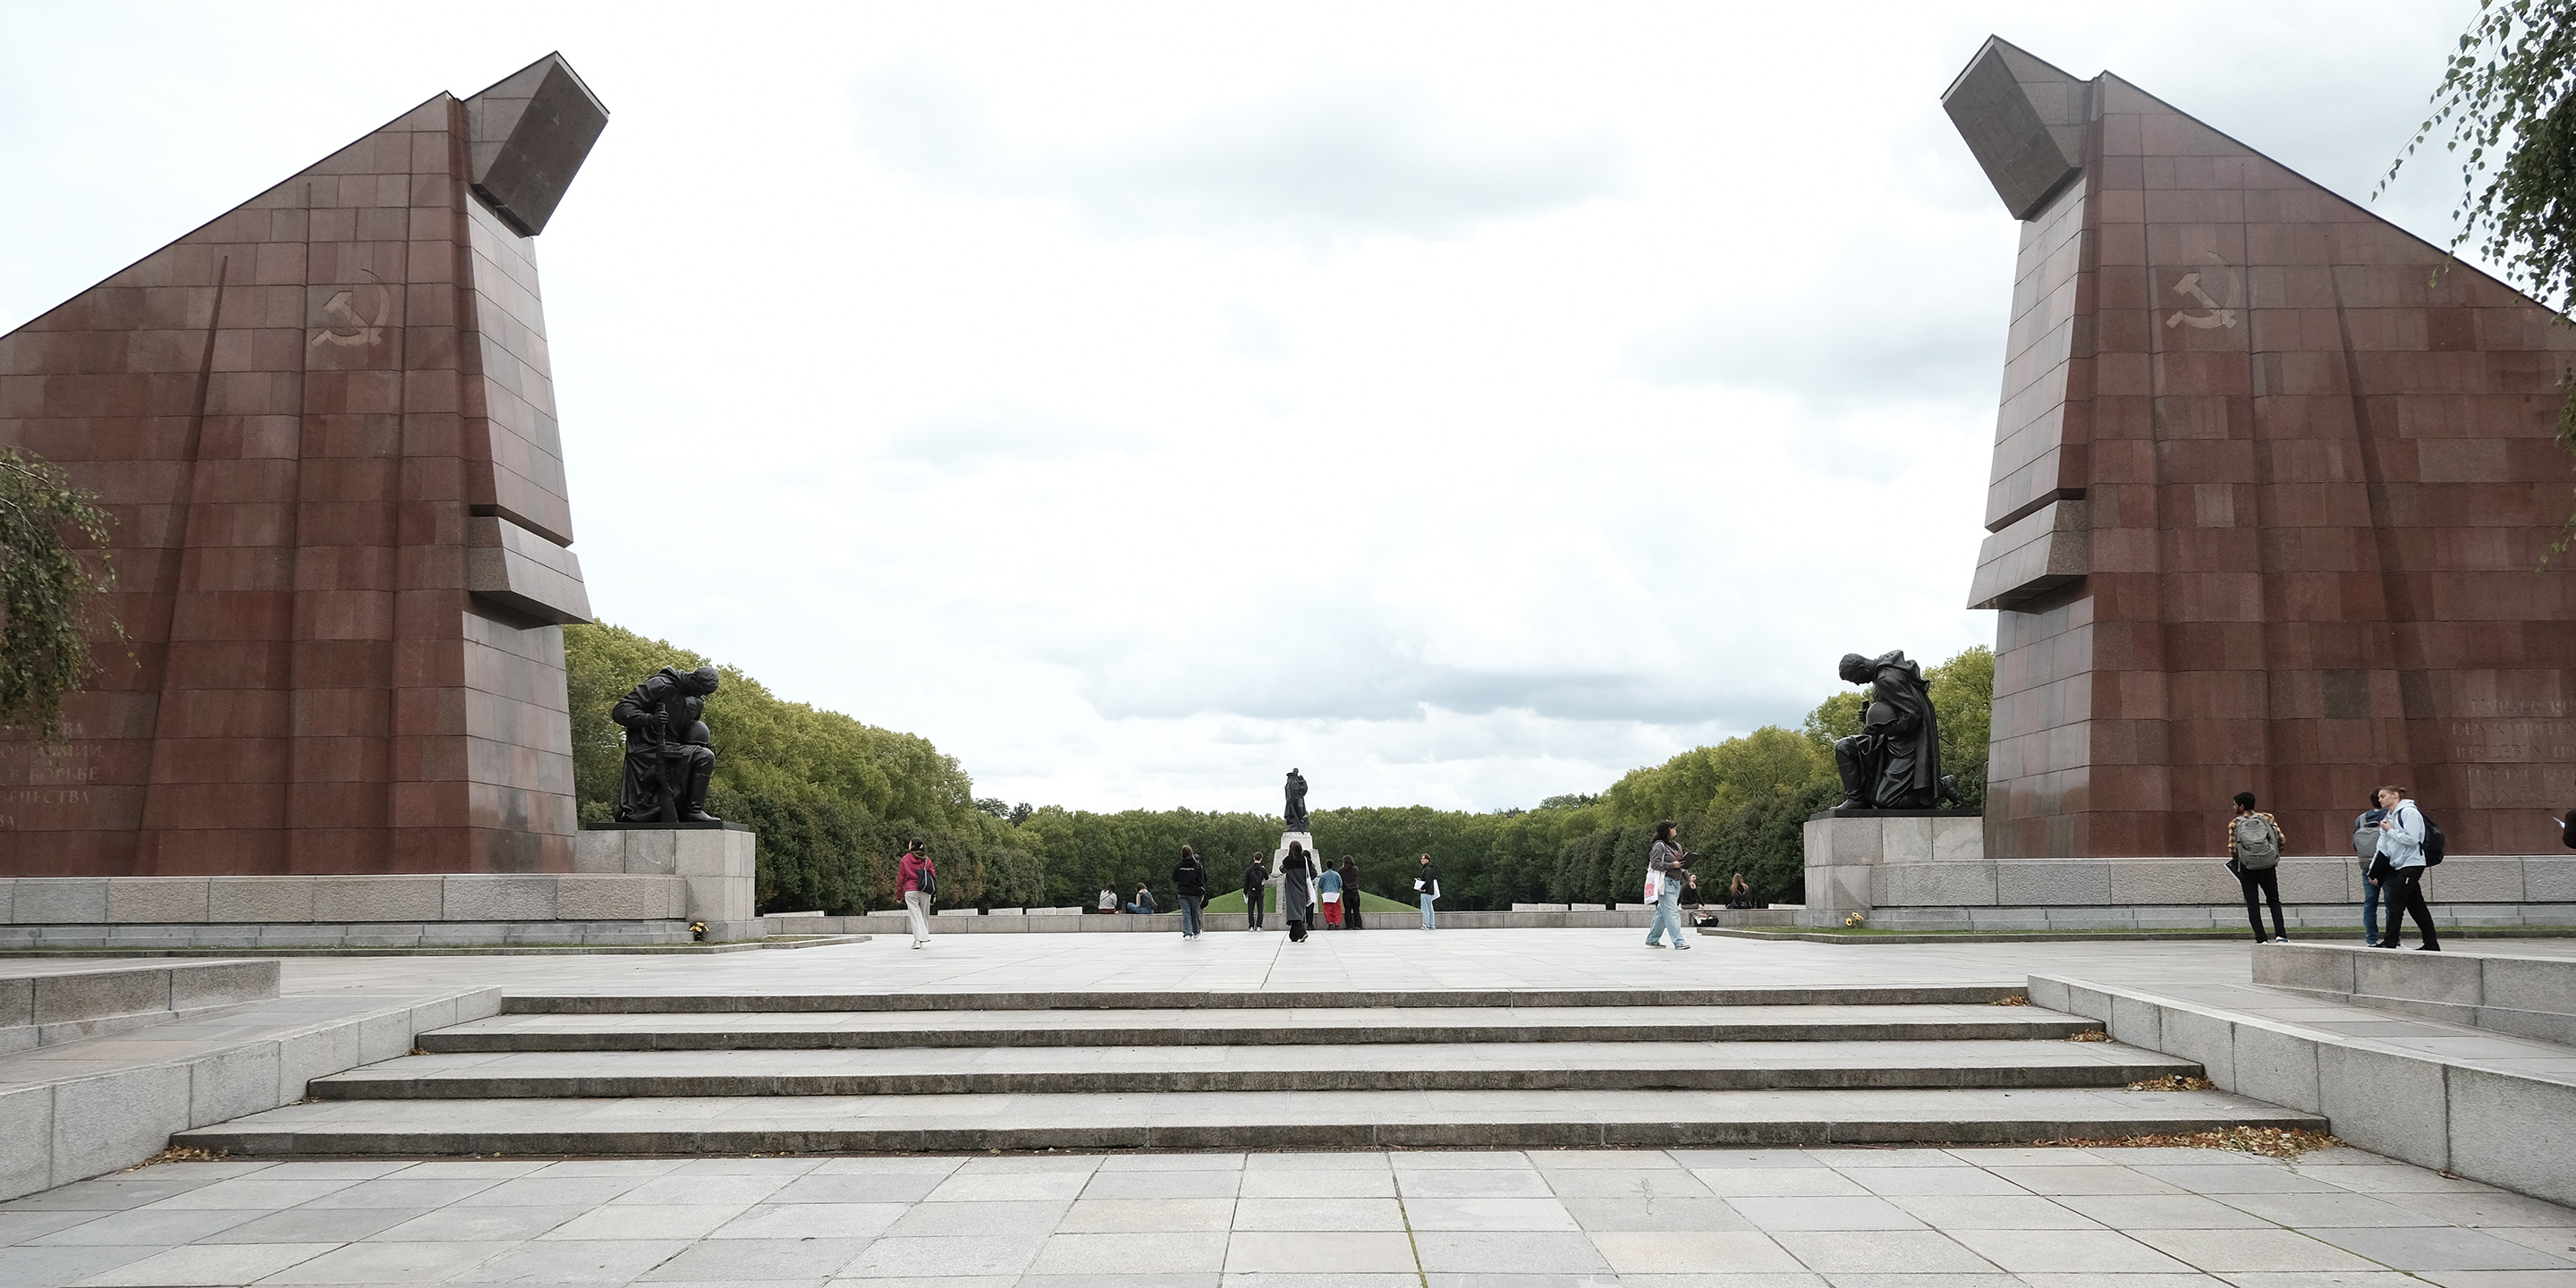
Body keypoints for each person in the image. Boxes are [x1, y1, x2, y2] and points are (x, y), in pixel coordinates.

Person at [2376, 785, 2441, 951]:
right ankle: (2431, 943)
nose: (2380, 799)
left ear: (2395, 795)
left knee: (2395, 901)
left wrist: (2390, 831)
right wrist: (2375, 870)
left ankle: (2390, 942)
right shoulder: (2388, 816)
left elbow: (2412, 839)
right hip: (2400, 864)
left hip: (2412, 863)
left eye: (2383, 796)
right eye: (2379, 797)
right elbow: (2383, 846)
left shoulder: (2409, 812)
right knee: (2416, 906)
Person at [2227, 792, 2289, 943]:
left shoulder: (2234, 823)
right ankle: (2281, 935)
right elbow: (2281, 840)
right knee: (2274, 901)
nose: (2233, 807)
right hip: (2268, 866)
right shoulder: (2267, 818)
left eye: (2235, 804)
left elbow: (2233, 849)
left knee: (2253, 904)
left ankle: (2261, 938)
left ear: (2242, 806)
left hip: (2247, 868)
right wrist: (2270, 854)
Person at [1644, 821, 1692, 950]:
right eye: (1673, 828)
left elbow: (1683, 865)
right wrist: (1672, 865)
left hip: (1675, 883)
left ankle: (1652, 939)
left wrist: (1689, 880)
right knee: (1672, 912)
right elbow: (1655, 864)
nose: (1675, 829)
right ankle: (1679, 941)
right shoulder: (1660, 846)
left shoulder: (1677, 846)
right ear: (1667, 830)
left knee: (1662, 913)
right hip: (1665, 882)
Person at [2353, 792, 2389, 947]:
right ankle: (2393, 938)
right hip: (2388, 864)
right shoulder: (2390, 816)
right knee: (2391, 903)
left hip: (2367, 865)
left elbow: (2356, 845)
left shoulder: (2360, 819)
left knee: (2370, 903)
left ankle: (2371, 939)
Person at [898, 839, 935, 950]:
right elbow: (932, 876)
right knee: (924, 915)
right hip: (925, 890)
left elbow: (901, 878)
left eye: (909, 843)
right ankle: (924, 936)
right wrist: (933, 894)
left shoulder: (905, 859)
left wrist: (898, 895)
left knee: (915, 916)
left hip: (911, 890)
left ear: (913, 846)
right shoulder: (927, 860)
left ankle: (917, 940)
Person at [1280, 843, 1316, 943]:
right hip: (1303, 888)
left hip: (1292, 889)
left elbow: (1282, 870)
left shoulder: (1288, 861)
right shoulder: (1306, 861)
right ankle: (1293, 935)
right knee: (1299, 911)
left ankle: (1302, 933)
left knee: (1293, 912)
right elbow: (1314, 873)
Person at [1174, 845, 1207, 939]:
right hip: (1194, 892)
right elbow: (1201, 880)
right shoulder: (1197, 865)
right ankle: (1196, 931)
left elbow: (1174, 878)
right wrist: (1202, 893)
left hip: (1182, 891)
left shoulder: (1179, 865)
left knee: (1186, 912)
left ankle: (1187, 932)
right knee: (1194, 911)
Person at [1242, 854, 1268, 931]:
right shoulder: (1262, 869)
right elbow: (1267, 878)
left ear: (1254, 858)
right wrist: (1264, 869)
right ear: (1261, 859)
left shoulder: (1249, 869)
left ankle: (1251, 926)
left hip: (1251, 890)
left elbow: (1246, 882)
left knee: (1251, 909)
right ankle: (1259, 926)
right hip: (1260, 890)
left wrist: (1245, 892)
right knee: (1260, 909)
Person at [1415, 854, 1440, 930]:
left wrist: (1422, 887)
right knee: (1430, 908)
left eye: (1423, 859)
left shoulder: (1427, 869)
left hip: (1426, 891)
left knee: (1425, 909)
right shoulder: (1429, 869)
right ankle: (1432, 925)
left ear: (1427, 860)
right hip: (1430, 891)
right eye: (1422, 859)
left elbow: (1428, 881)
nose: (1422, 860)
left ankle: (1426, 924)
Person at [1340, 857, 1365, 930]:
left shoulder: (1342, 870)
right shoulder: (1355, 869)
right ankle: (1358, 924)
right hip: (1354, 891)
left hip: (1346, 891)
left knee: (1348, 910)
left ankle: (1349, 925)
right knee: (1356, 909)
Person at [1318, 862, 1343, 929]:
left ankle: (1330, 923)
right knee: (1337, 909)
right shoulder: (1336, 874)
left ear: (1326, 866)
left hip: (1326, 894)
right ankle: (1337, 924)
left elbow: (1320, 885)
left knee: (1327, 909)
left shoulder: (1323, 875)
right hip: (1335, 893)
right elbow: (1340, 884)